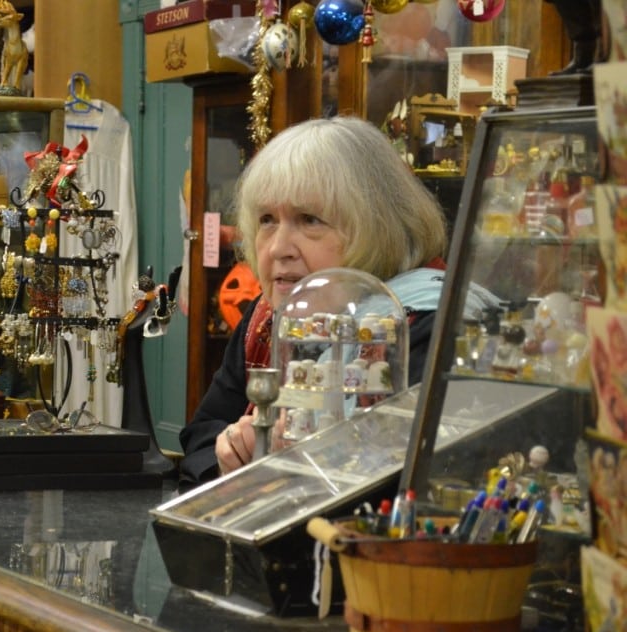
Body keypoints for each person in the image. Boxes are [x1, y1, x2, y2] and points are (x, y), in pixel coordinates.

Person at [178, 116, 500, 490]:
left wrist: (304, 463)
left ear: (378, 226)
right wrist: (229, 453)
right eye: (266, 220)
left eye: (309, 220)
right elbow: (201, 435)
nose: (278, 248)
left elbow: (402, 480)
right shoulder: (267, 315)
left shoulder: (429, 325)